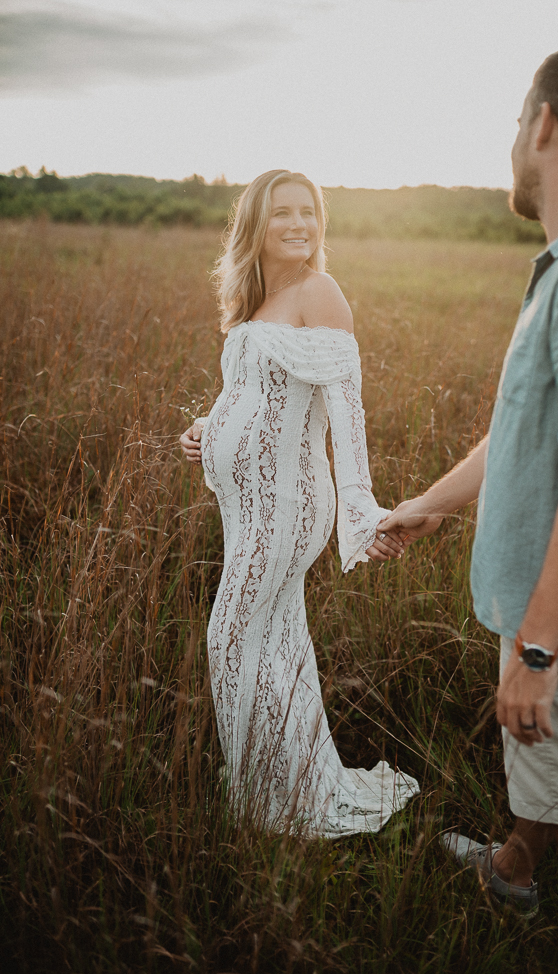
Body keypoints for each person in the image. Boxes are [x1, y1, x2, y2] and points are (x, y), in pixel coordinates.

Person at [380, 39, 558, 974]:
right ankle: (509, 873)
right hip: (552, 612)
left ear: (543, 122)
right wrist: (431, 504)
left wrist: (538, 649)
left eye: (515, 119)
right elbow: (524, 438)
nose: (512, 137)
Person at [180, 169, 419, 838]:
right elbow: (251, 392)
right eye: (282, 213)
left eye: (307, 213)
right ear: (253, 224)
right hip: (251, 505)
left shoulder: (320, 291)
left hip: (288, 504)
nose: (298, 225)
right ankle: (285, 783)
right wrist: (208, 427)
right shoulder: (262, 293)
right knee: (273, 641)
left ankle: (271, 802)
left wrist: (363, 508)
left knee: (230, 637)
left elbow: (346, 411)